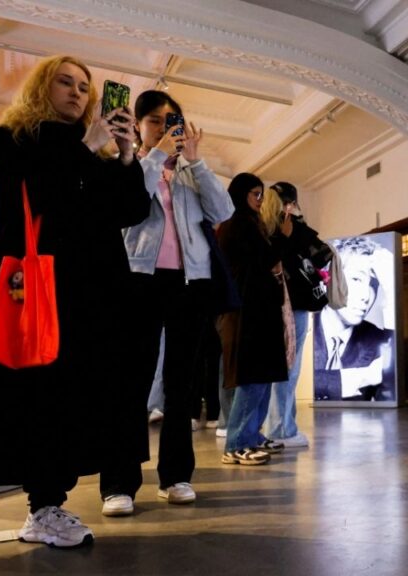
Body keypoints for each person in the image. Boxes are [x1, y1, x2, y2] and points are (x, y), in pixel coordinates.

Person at [0, 55, 148, 576]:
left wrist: (126, 157)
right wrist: (86, 148)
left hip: (85, 303)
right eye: (66, 81)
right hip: (26, 296)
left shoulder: (99, 157)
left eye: (86, 86)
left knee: (60, 406)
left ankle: (45, 507)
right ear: (42, 85)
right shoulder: (11, 141)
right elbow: (30, 203)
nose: (79, 93)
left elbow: (130, 212)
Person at [100, 90, 234, 516]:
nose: (166, 127)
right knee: (130, 384)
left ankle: (176, 476)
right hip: (138, 282)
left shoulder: (190, 173)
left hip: (190, 284)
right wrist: (154, 156)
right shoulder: (130, 167)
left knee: (182, 386)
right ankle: (119, 484)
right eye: (155, 120)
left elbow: (223, 210)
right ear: (139, 125)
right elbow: (124, 207)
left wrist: (195, 160)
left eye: (173, 119)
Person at [217, 173, 289, 465]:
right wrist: (282, 239)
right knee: (251, 378)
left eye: (261, 194)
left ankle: (252, 435)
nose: (260, 200)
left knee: (262, 377)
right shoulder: (236, 225)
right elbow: (266, 261)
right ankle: (236, 444)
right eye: (255, 194)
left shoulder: (249, 224)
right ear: (241, 195)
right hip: (246, 313)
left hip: (258, 311)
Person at [263, 182, 326, 446]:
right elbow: (321, 256)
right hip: (294, 303)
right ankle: (282, 429)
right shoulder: (294, 228)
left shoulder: (262, 226)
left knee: (276, 364)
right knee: (290, 364)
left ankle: (278, 424)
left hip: (268, 302)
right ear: (291, 202)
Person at [313, 236, 396, 402]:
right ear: (325, 281)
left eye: (373, 284)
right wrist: (363, 377)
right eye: (356, 279)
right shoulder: (304, 331)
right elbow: (294, 383)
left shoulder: (380, 340)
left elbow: (392, 396)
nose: (366, 296)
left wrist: (391, 293)